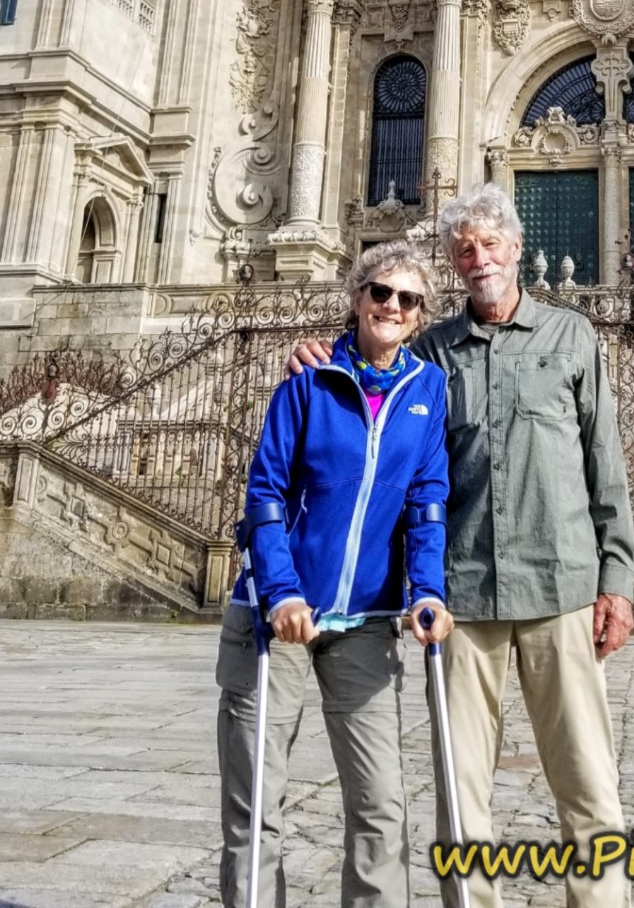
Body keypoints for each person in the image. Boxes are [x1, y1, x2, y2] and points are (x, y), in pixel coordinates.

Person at [292, 182, 634, 908]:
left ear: (516, 248)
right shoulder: (432, 352)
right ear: (453, 263)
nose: (479, 259)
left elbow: (605, 464)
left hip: (562, 587)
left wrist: (618, 581)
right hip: (462, 594)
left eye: (490, 244)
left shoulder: (572, 336)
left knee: (588, 783)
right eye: (465, 249)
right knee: (460, 793)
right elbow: (371, 372)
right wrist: (319, 357)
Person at [216, 240, 452, 907]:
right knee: (256, 802)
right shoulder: (308, 378)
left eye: (408, 299)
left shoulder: (427, 388)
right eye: (381, 291)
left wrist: (427, 590)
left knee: (382, 805)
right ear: (356, 297)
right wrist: (281, 592)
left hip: (367, 623)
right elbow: (265, 493)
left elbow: (426, 501)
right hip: (275, 621)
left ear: (420, 315)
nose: (392, 306)